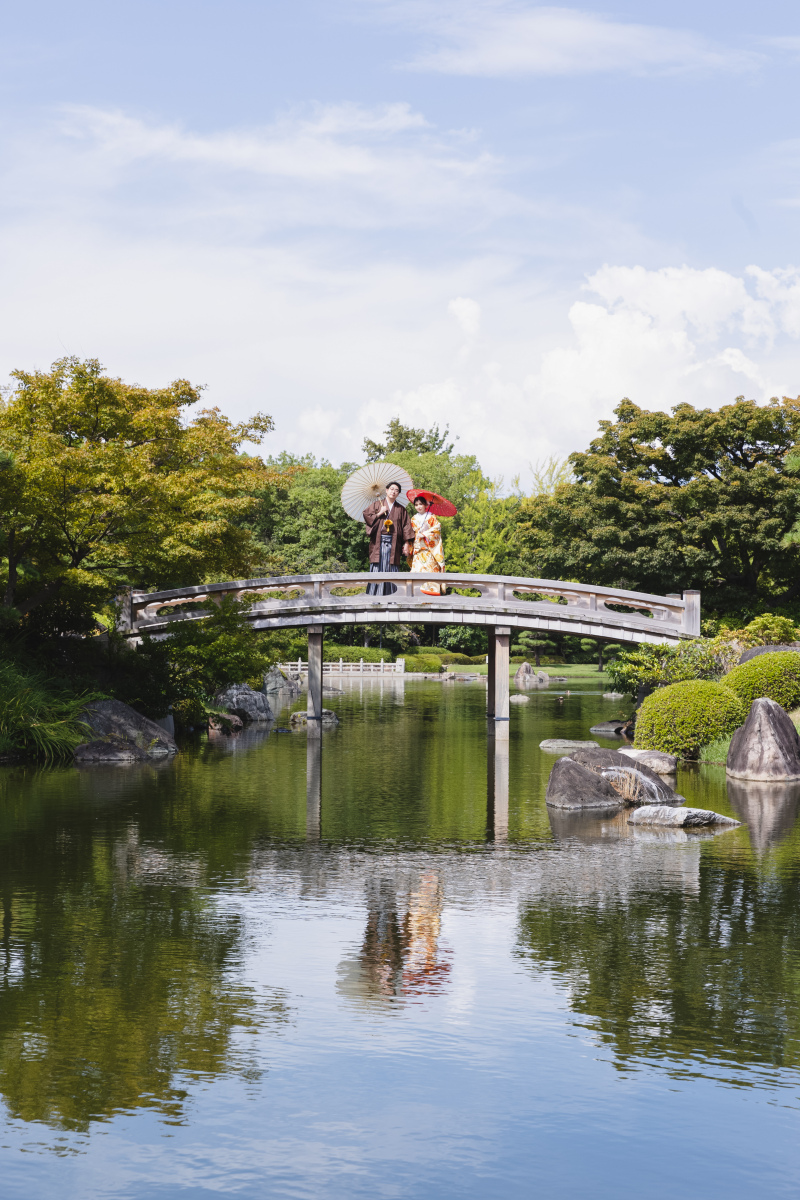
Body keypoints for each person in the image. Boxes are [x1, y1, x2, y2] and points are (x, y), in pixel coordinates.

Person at [363, 481, 413, 595]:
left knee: (392, 568)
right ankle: (374, 597)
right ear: (386, 490)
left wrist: (406, 544)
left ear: (398, 493)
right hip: (378, 542)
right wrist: (379, 513)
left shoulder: (401, 509)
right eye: (391, 489)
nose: (393, 492)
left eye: (396, 490)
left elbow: (406, 527)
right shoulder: (377, 505)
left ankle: (392, 598)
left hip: (394, 543)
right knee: (377, 568)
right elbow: (366, 515)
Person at [410, 494, 446, 595]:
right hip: (418, 549)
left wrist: (425, 533)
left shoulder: (431, 517)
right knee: (417, 571)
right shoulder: (413, 519)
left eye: (421, 504)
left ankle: (431, 595)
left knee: (430, 571)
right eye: (416, 505)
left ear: (426, 505)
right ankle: (417, 594)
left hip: (429, 550)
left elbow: (437, 530)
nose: (418, 507)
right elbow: (411, 532)